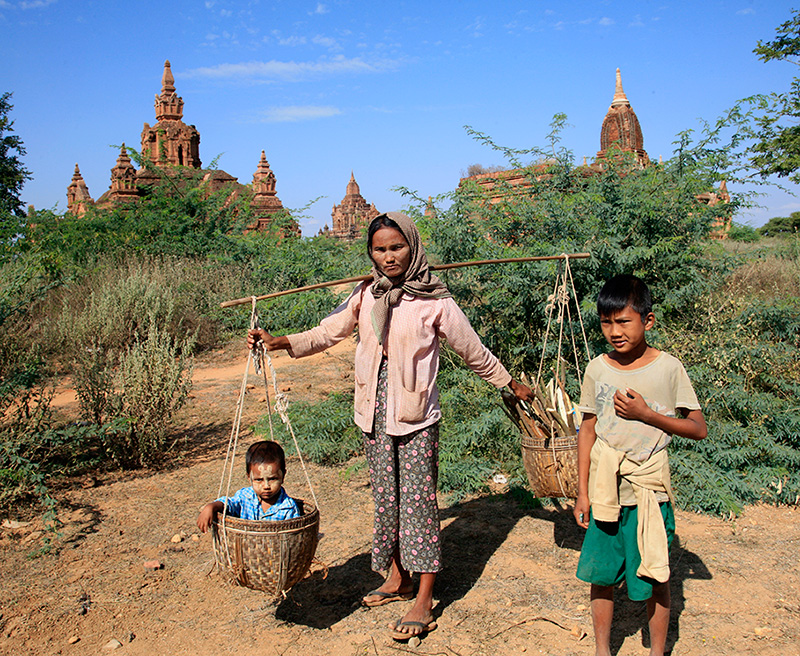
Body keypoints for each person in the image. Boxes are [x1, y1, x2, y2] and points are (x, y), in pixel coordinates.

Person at [247, 211, 533, 640]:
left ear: (412, 246)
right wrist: (281, 341)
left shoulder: (435, 299)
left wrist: (509, 383)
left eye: (396, 247)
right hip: (373, 414)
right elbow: (328, 332)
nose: (388, 257)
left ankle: (424, 596)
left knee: (418, 505)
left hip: (416, 416)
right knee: (387, 500)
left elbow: (472, 350)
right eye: (379, 249)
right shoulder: (366, 294)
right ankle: (397, 578)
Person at [572, 275, 707, 656]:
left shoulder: (668, 369)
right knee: (601, 576)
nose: (614, 332)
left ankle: (657, 651)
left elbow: (698, 428)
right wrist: (582, 492)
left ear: (648, 321)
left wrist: (648, 415)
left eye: (623, 321)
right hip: (604, 491)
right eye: (606, 322)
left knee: (656, 575)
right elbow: (587, 429)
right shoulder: (597, 368)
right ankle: (602, 649)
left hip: (649, 492)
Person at [196, 440, 300, 532]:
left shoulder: (288, 508)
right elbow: (229, 504)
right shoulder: (245, 496)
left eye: (272, 479)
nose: (266, 486)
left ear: (283, 476)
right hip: (246, 551)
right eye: (259, 480)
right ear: (249, 477)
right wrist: (211, 507)